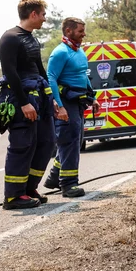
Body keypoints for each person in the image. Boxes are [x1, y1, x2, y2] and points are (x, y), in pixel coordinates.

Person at [0, 0, 56, 209]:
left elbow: (39, 70)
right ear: (33, 14)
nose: (44, 19)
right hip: (21, 99)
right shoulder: (10, 38)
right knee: (23, 145)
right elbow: (10, 73)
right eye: (42, 14)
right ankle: (13, 196)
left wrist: (53, 100)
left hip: (39, 98)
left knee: (47, 142)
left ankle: (29, 188)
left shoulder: (32, 38)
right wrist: (23, 103)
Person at [44, 18, 99, 197]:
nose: (84, 34)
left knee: (75, 140)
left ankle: (54, 178)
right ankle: (68, 184)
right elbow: (50, 78)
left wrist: (93, 98)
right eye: (80, 31)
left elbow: (83, 76)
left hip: (78, 102)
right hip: (65, 102)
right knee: (70, 142)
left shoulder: (79, 50)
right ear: (68, 31)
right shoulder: (60, 53)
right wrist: (59, 106)